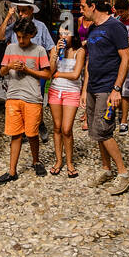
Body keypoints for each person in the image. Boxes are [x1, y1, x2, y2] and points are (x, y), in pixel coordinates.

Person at [79, 0, 129, 193]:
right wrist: (85, 89)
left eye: (83, 7)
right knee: (96, 132)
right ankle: (106, 169)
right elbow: (89, 62)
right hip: (93, 87)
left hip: (107, 88)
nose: (81, 10)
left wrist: (116, 89)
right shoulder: (93, 28)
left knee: (103, 130)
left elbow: (125, 58)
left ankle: (123, 173)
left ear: (93, 7)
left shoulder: (115, 26)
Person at [0, 19, 52, 184]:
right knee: (15, 134)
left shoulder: (39, 50)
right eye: (18, 37)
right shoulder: (11, 48)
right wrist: (10, 65)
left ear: (32, 35)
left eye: (24, 37)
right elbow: (2, 70)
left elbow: (47, 74)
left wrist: (27, 70)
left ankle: (36, 161)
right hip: (13, 97)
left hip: (33, 98)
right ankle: (12, 171)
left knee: (32, 133)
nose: (21, 40)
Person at [48, 25, 89, 178]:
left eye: (66, 34)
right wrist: (55, 56)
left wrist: (58, 74)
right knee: (57, 127)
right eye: (60, 34)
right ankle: (59, 160)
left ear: (73, 35)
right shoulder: (55, 50)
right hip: (55, 91)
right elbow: (50, 72)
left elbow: (76, 75)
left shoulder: (80, 51)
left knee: (67, 128)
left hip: (71, 92)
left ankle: (70, 162)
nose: (63, 37)